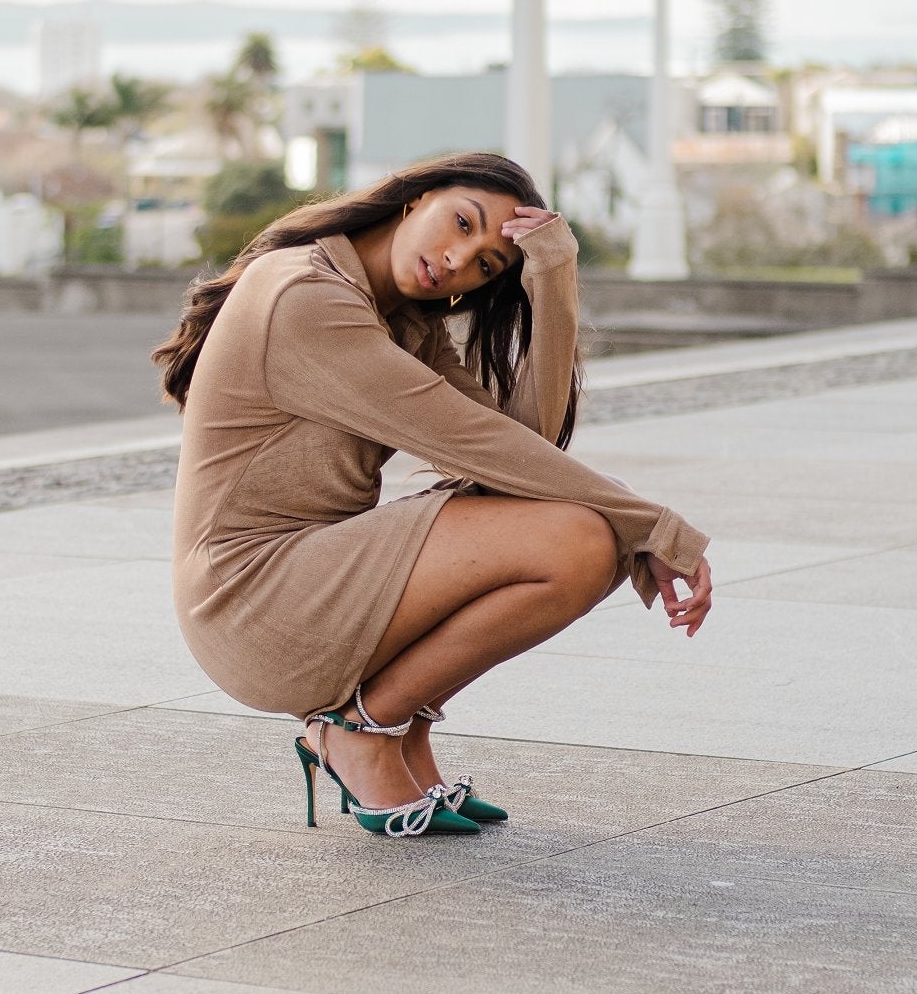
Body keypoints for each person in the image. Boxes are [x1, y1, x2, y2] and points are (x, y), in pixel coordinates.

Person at [153, 151, 712, 840]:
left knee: (580, 533)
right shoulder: (307, 297)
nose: (455, 260)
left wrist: (551, 275)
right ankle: (359, 733)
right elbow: (488, 451)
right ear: (414, 197)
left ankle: (396, 735)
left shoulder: (402, 320)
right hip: (253, 599)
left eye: (483, 264)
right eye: (459, 222)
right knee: (576, 539)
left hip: (304, 581)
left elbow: (520, 454)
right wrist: (654, 525)